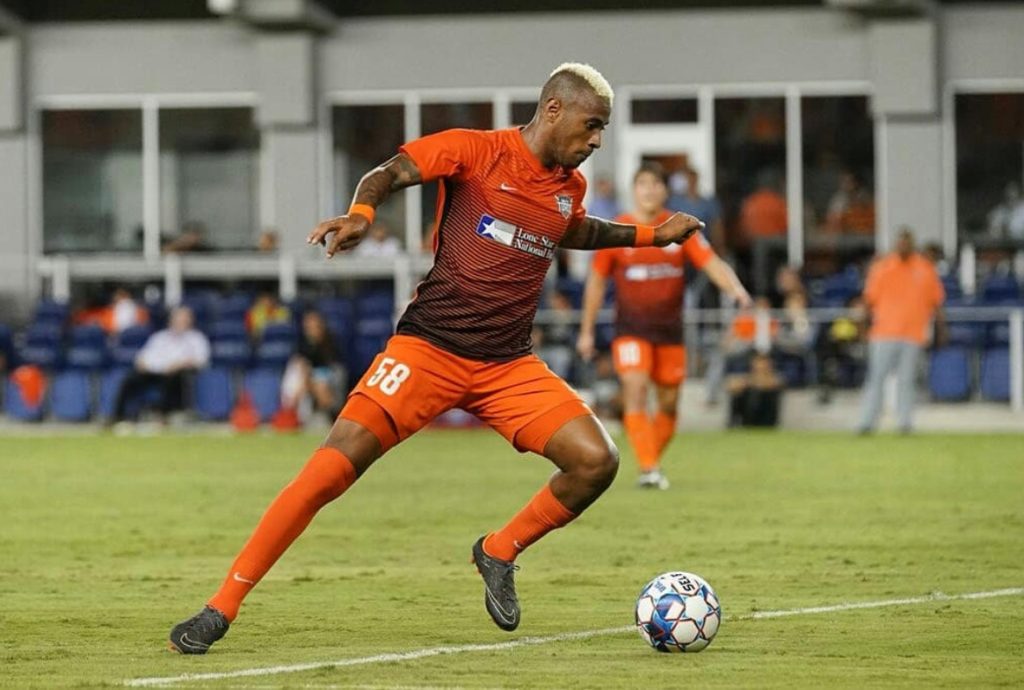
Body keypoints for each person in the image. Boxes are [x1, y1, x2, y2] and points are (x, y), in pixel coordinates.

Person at [168, 62, 707, 654]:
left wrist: (653, 236)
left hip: (506, 365)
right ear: (554, 109)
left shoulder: (568, 187)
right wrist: (362, 215)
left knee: (596, 461)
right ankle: (221, 606)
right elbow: (388, 172)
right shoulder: (475, 151)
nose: (598, 140)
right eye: (593, 125)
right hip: (429, 349)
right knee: (329, 471)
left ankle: (499, 550)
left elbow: (575, 230)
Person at [575, 162, 751, 490]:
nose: (649, 190)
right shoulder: (619, 230)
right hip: (630, 330)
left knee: (669, 403)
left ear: (664, 190)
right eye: (643, 183)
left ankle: (650, 459)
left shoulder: (677, 227)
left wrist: (736, 290)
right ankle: (649, 468)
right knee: (636, 390)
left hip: (670, 331)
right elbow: (596, 283)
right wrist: (586, 331)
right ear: (633, 190)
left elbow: (711, 262)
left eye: (655, 184)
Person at [856, 228, 945, 435]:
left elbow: (936, 303)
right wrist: (862, 327)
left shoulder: (925, 268)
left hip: (913, 333)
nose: (903, 246)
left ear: (913, 244)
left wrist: (941, 329)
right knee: (876, 378)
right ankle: (867, 422)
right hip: (883, 333)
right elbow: (868, 301)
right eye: (900, 243)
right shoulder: (882, 267)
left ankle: (905, 423)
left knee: (907, 380)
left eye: (907, 243)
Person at [107, 306, 209, 426]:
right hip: (154, 372)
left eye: (183, 319)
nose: (180, 321)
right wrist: (142, 362)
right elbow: (144, 355)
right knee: (130, 378)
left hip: (178, 373)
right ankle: (118, 416)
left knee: (175, 378)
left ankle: (163, 416)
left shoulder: (196, 338)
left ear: (190, 321)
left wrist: (181, 364)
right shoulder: (160, 337)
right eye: (177, 318)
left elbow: (201, 360)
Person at [274, 311, 344, 427]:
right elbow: (300, 364)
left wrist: (312, 380)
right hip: (306, 381)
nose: (311, 329)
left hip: (327, 377)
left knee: (320, 387)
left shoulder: (331, 343)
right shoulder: (302, 345)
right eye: (308, 326)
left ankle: (329, 416)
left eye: (314, 325)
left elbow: (334, 367)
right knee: (302, 379)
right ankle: (296, 418)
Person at [668, 167, 725, 252]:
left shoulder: (708, 203)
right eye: (688, 179)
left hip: (703, 246)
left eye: (693, 179)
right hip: (681, 248)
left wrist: (719, 247)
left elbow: (716, 227)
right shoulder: (674, 202)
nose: (691, 182)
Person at [726, 352, 783, 427]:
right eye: (758, 362)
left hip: (767, 414)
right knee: (738, 395)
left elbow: (776, 383)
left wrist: (754, 382)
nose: (761, 366)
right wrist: (749, 382)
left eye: (764, 363)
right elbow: (731, 385)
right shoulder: (747, 376)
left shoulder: (775, 376)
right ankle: (736, 423)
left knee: (759, 392)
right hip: (747, 413)